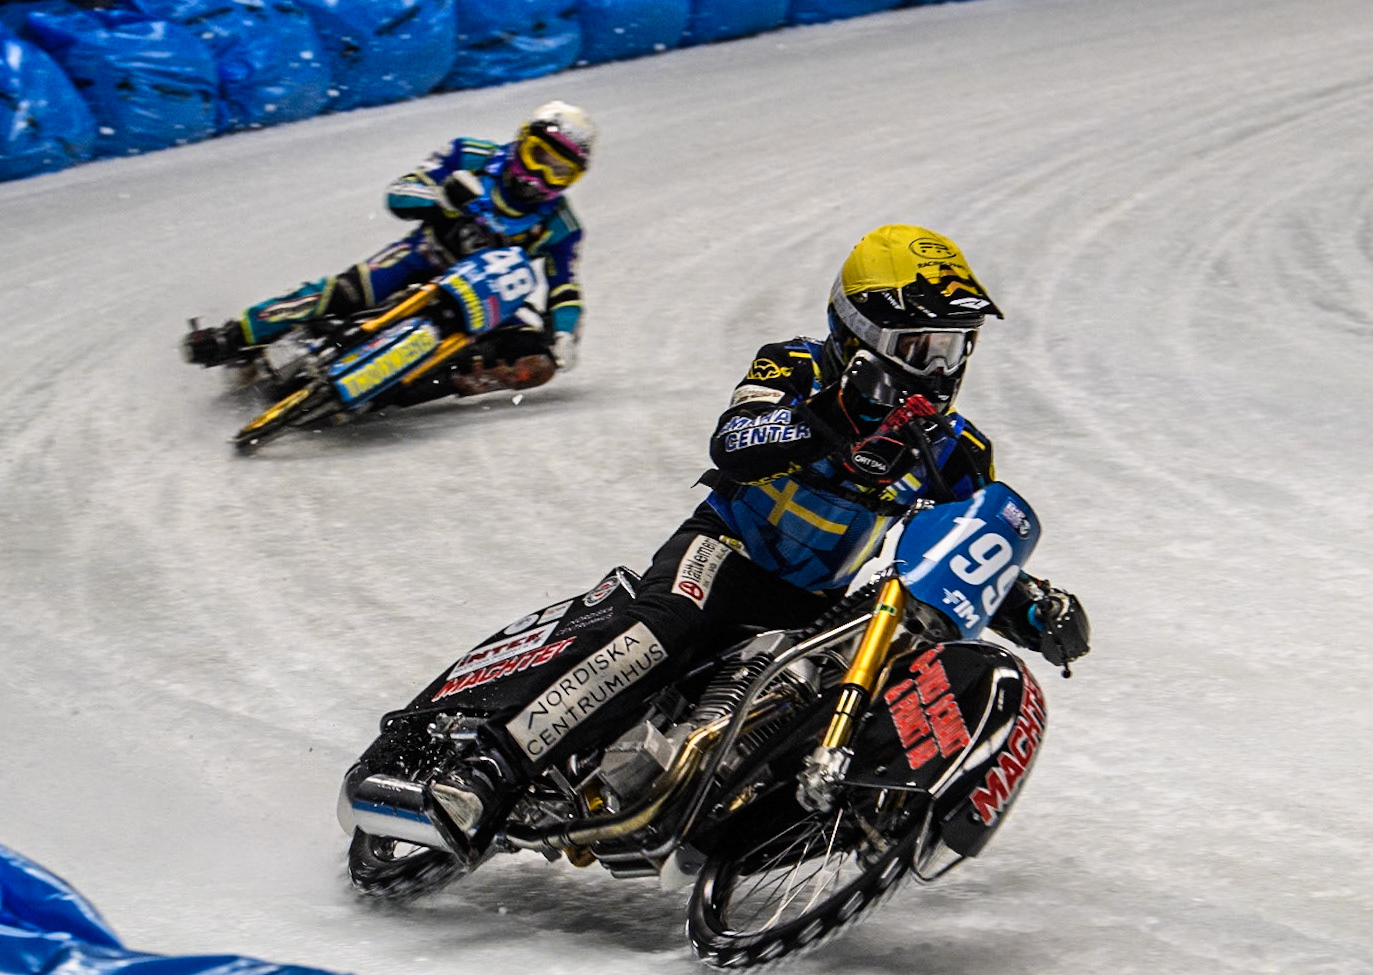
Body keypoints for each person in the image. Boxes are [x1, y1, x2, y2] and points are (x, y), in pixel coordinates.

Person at [421, 224, 1091, 860]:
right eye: (922, 347)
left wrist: (1032, 606)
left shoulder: (958, 450)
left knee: (855, 676)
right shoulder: (793, 366)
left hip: (811, 607)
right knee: (664, 627)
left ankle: (773, 823)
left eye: (952, 347)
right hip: (725, 553)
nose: (940, 369)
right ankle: (489, 767)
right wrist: (826, 420)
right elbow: (735, 441)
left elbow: (961, 551)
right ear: (862, 331)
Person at [183, 101, 596, 400]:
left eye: (560, 170)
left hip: (485, 302)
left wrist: (563, 334)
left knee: (535, 358)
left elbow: (564, 286)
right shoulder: (469, 155)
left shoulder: (562, 226)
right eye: (540, 157)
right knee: (341, 292)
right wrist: (441, 202)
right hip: (423, 258)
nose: (543, 175)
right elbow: (401, 192)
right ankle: (235, 335)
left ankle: (429, 382)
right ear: (523, 142)